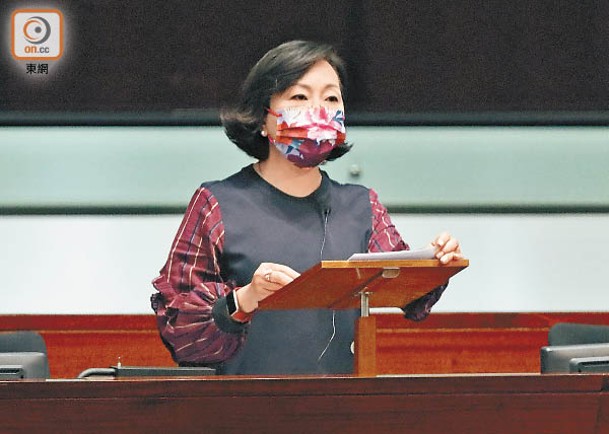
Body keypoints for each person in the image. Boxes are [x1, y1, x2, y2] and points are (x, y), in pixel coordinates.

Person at [150, 40, 462, 375]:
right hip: (245, 411)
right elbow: (178, 326)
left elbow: (408, 292)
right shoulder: (217, 203)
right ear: (262, 117)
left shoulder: (361, 205)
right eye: (300, 97)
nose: (319, 111)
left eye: (331, 98)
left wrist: (436, 262)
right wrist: (244, 300)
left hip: (342, 411)